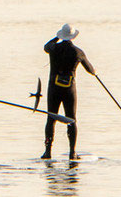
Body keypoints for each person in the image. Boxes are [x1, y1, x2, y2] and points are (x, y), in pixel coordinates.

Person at [40, 24, 96, 160]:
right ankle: (72, 152)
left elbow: (46, 46)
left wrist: (56, 38)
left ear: (61, 36)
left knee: (51, 118)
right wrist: (94, 72)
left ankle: (47, 152)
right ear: (73, 36)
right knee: (71, 119)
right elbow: (91, 70)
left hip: (54, 88)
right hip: (69, 89)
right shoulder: (78, 52)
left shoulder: (53, 48)